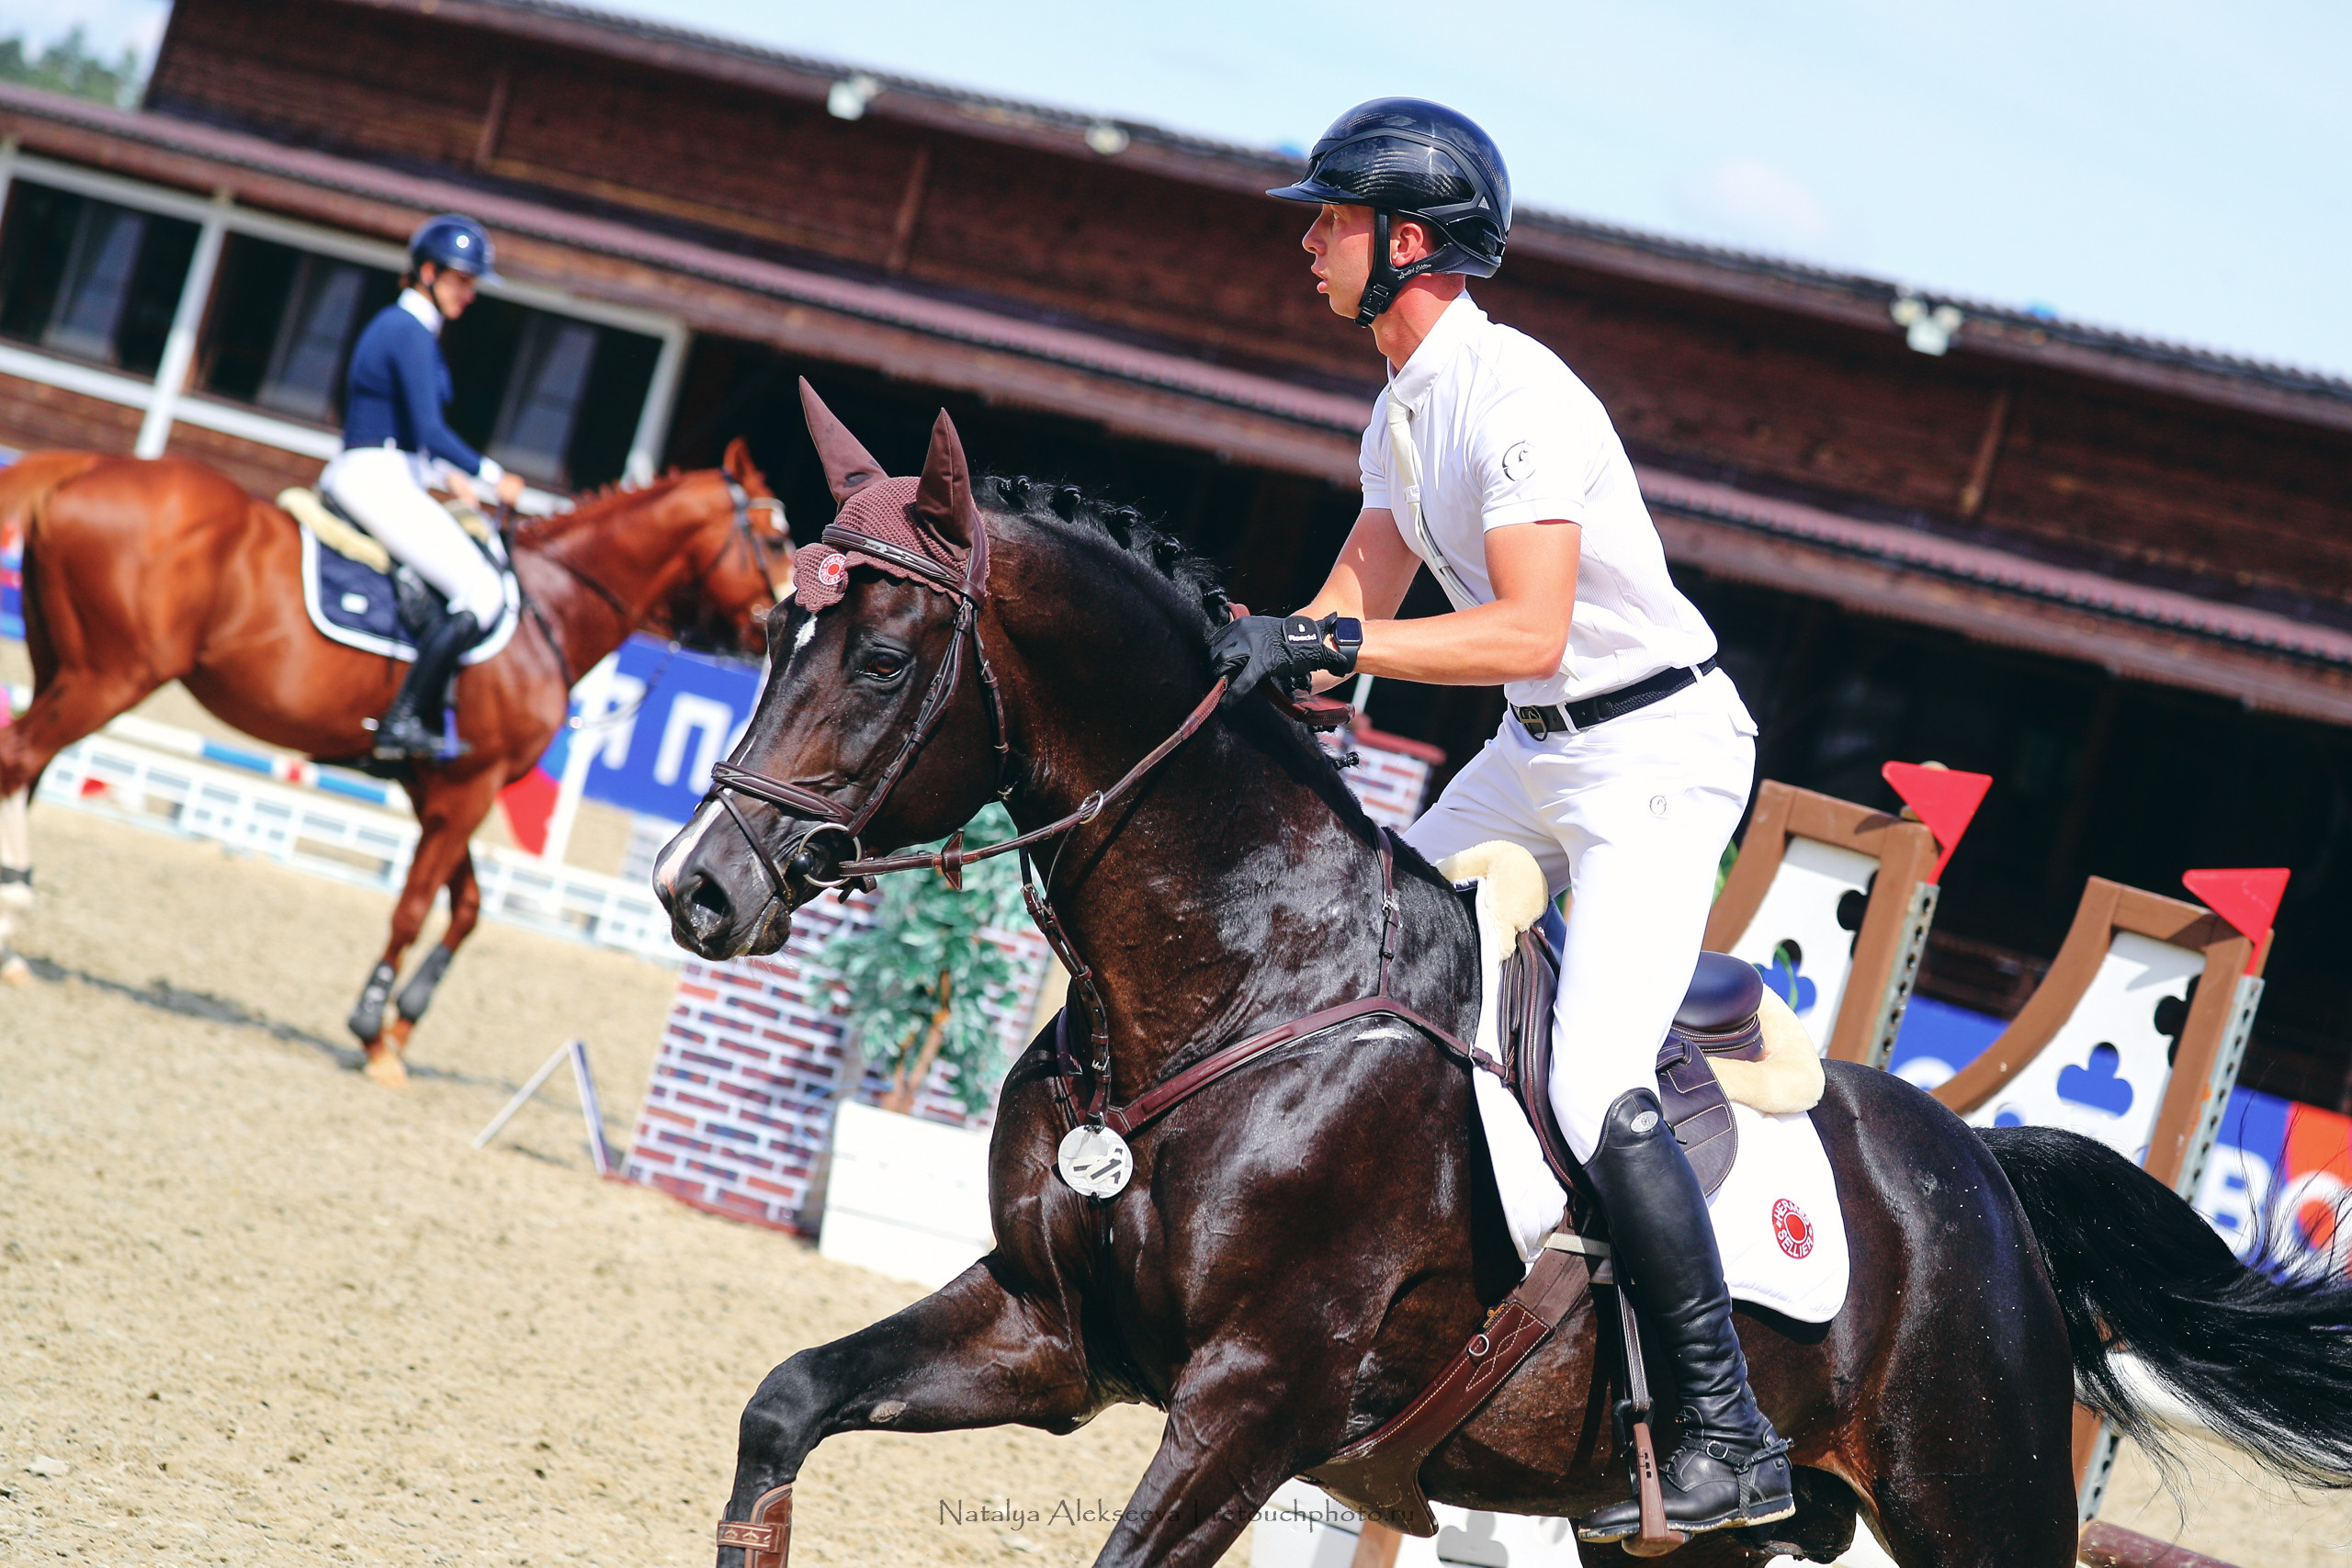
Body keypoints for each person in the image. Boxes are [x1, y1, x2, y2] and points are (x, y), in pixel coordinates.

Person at [1215, 99, 1791, 1543]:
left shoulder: (1516, 395)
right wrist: (1241, 655)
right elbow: (1354, 607)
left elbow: (1528, 626)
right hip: (1535, 755)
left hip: (1654, 757)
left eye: (1330, 219)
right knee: (1364, 953)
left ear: (1407, 243)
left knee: (1597, 1082)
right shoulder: (1402, 405)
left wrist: (1337, 650)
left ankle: (1732, 1430)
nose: (1308, 240)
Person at [322, 213, 525, 761]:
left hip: (392, 471)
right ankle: (401, 722)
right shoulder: (406, 330)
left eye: (472, 283)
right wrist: (492, 477)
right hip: (375, 478)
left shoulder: (410, 331)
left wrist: (445, 476)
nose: (469, 294)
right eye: (462, 281)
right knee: (483, 594)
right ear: (428, 272)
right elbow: (431, 431)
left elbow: (408, 434)